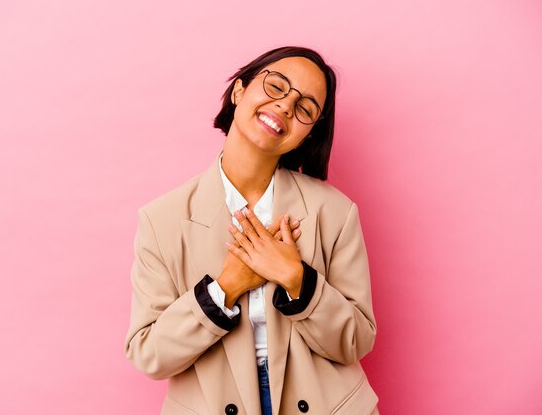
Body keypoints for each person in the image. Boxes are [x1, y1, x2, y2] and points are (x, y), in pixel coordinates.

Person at [125, 46, 379, 415]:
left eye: (306, 108)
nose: (286, 106)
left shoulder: (335, 212)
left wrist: (297, 280)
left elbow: (356, 341)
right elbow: (149, 354)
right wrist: (223, 289)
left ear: (308, 135)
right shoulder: (161, 219)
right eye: (276, 86)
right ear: (239, 91)